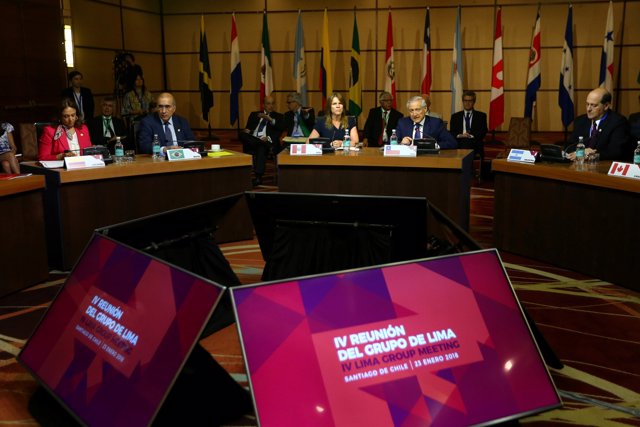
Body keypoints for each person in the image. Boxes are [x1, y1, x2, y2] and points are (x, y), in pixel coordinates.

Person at [566, 88, 632, 161]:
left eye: (593, 105)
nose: (588, 109)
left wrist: (590, 155)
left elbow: (615, 152)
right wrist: (581, 152)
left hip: (604, 167)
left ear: (606, 106)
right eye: (587, 104)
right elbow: (569, 146)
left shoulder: (618, 122)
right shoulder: (580, 121)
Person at [239, 96, 284, 186]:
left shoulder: (278, 116)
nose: (271, 106)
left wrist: (268, 136)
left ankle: (258, 177)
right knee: (242, 134)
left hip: (267, 141)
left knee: (261, 147)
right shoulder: (254, 114)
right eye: (268, 103)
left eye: (272, 103)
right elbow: (249, 129)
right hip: (254, 140)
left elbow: (278, 132)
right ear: (263, 105)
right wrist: (248, 131)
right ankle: (259, 142)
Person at [449, 90, 488, 160]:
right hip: (459, 141)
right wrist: (460, 135)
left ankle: (464, 166)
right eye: (465, 101)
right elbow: (452, 132)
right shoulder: (455, 116)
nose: (467, 103)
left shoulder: (481, 116)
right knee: (463, 142)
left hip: (474, 142)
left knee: (467, 142)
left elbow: (483, 132)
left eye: (470, 101)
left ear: (474, 102)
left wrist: (470, 136)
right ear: (463, 101)